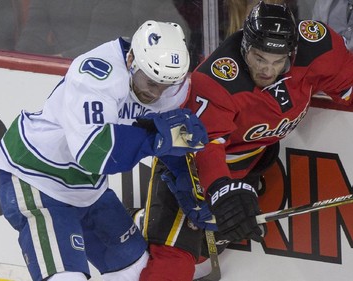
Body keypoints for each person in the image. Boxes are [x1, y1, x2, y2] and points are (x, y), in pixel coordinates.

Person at [139, 2, 353, 280]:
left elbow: (347, 85)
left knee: (207, 248)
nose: (267, 70)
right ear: (245, 46)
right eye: (259, 58)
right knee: (172, 259)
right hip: (189, 163)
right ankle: (135, 227)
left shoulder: (316, 45)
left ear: (293, 51)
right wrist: (219, 189)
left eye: (278, 62)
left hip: (247, 164)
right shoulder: (216, 80)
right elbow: (205, 145)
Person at [0, 20, 211, 281]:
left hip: (89, 191)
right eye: (151, 83)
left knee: (136, 272)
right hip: (36, 178)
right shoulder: (95, 74)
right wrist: (157, 139)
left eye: (166, 86)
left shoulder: (170, 85)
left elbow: (171, 141)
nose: (157, 94)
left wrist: (190, 189)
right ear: (131, 60)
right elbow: (94, 152)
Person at [15, 0, 136, 58]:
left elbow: (101, 47)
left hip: (100, 76)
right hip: (57, 72)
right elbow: (32, 36)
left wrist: (49, 62)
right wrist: (17, 61)